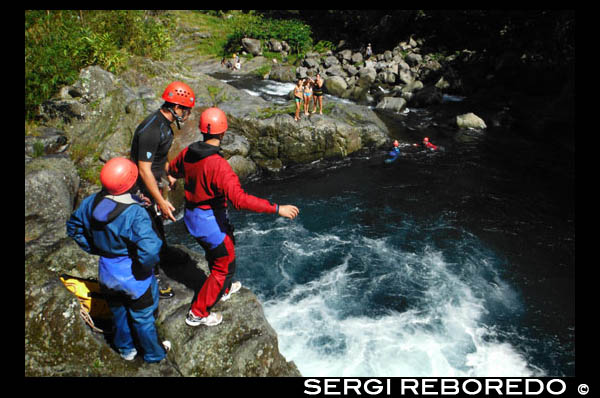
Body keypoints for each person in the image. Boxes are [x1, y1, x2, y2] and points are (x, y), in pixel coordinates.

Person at [168, 107, 300, 327]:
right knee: (224, 265)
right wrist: (277, 208)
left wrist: (171, 179)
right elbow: (240, 200)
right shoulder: (219, 166)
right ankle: (198, 313)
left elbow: (174, 170)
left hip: (192, 216)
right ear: (222, 132)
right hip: (209, 221)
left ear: (203, 130)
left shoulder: (189, 152)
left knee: (217, 252)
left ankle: (224, 289)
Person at [66, 158, 170, 363]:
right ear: (131, 182)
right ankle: (154, 354)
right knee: (142, 317)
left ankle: (126, 349)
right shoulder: (135, 213)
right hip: (134, 276)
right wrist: (143, 267)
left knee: (118, 312)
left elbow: (73, 228)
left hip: (107, 270)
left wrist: (94, 247)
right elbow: (150, 249)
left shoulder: (91, 202)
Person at [130, 81, 196, 299]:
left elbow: (160, 155)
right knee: (148, 231)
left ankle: (163, 254)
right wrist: (159, 199)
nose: (187, 115)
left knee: (157, 225)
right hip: (142, 188)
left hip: (154, 182)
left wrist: (169, 172)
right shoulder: (151, 130)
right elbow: (143, 169)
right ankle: (154, 276)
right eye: (185, 110)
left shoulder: (165, 126)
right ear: (175, 107)